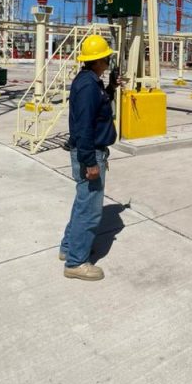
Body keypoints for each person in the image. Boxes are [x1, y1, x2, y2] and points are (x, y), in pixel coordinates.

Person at [60, 34, 118, 281]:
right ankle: (76, 262)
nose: (108, 62)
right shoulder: (88, 86)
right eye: (106, 58)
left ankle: (69, 247)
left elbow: (98, 111)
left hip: (90, 151)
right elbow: (83, 127)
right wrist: (90, 162)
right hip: (90, 152)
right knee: (90, 211)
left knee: (82, 203)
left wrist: (111, 88)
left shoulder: (91, 82)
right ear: (99, 61)